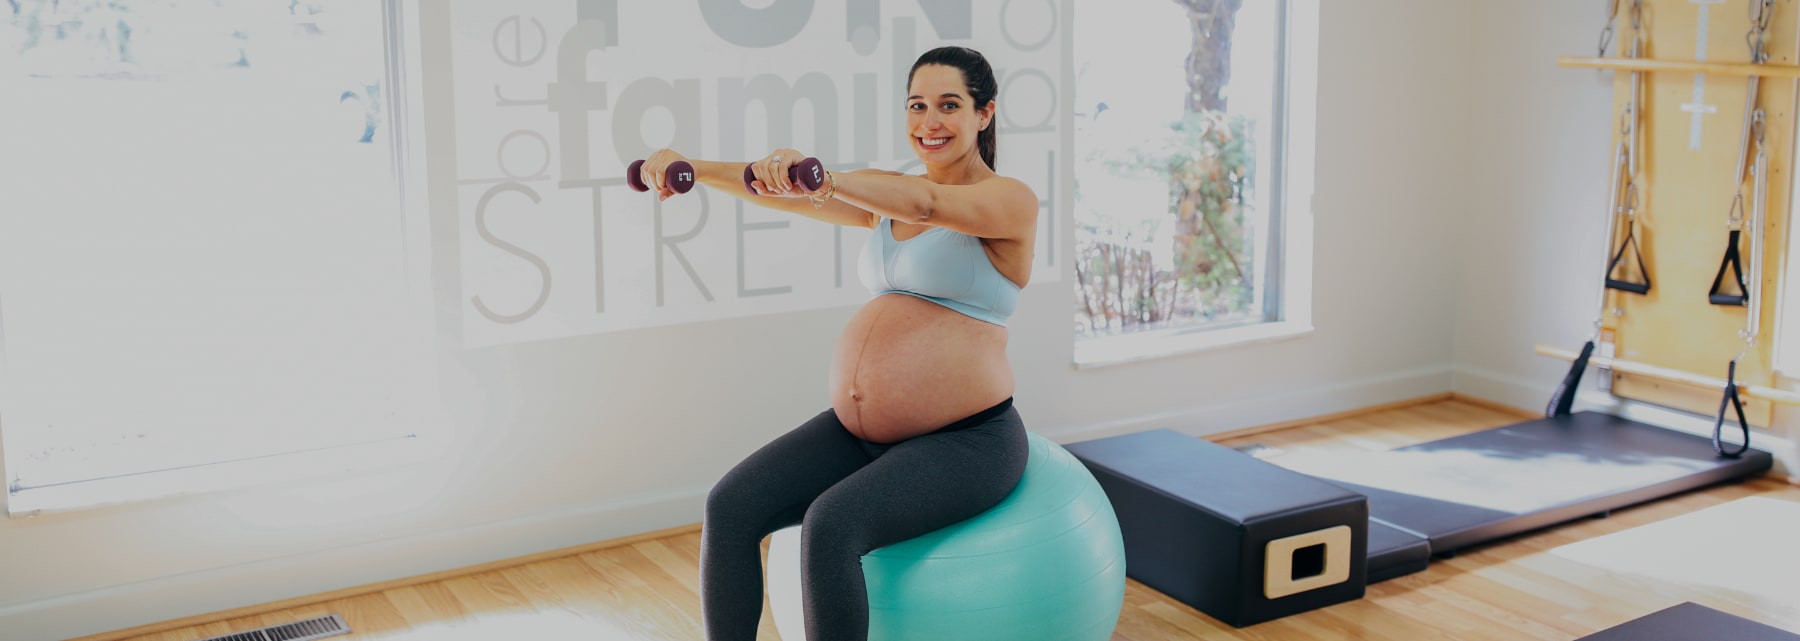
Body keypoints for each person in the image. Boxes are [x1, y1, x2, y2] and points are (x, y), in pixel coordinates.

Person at [638, 46, 1038, 641]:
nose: (929, 121)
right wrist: (688, 166)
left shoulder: (1008, 200)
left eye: (949, 105)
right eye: (917, 105)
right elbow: (784, 192)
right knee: (730, 506)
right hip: (862, 435)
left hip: (968, 441)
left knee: (830, 526)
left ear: (984, 113)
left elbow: (929, 203)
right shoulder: (888, 192)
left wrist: (824, 177)